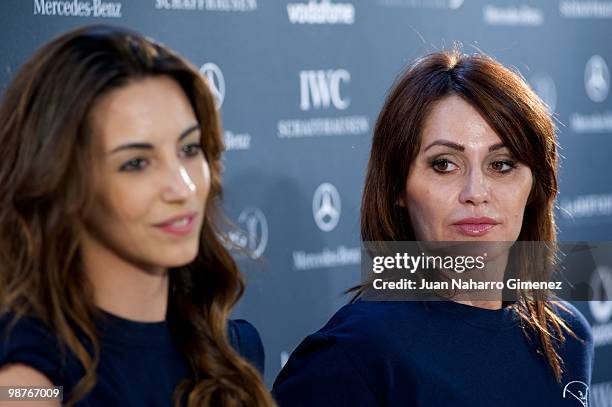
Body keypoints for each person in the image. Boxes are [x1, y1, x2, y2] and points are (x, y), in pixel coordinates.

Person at [272, 49, 594, 406]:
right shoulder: (352, 355)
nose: (476, 193)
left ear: (536, 187)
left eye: (501, 165)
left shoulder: (567, 335)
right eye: (444, 164)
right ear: (396, 186)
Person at [0, 25, 276, 407]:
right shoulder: (25, 380)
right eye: (136, 163)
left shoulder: (234, 351)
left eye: (189, 149)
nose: (182, 187)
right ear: (60, 182)